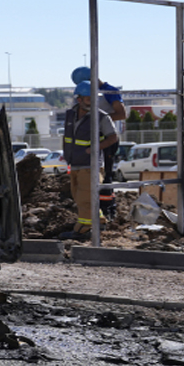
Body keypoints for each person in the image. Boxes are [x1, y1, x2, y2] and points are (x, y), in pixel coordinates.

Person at [61, 81, 119, 241]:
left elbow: (113, 137)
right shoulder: (70, 115)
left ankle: (84, 230)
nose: (92, 101)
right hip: (74, 164)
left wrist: (95, 148)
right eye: (88, 98)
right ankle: (99, 221)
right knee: (80, 197)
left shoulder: (101, 117)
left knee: (85, 200)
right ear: (79, 99)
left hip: (90, 165)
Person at [72, 67, 126, 219]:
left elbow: (121, 114)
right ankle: (96, 209)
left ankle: (108, 210)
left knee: (105, 175)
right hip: (94, 138)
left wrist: (98, 120)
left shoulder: (109, 92)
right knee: (92, 175)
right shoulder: (90, 94)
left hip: (107, 139)